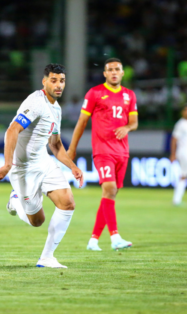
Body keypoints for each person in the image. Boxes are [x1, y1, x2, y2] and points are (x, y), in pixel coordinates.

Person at [0, 64, 83, 269]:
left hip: (44, 162)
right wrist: (7, 164)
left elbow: (55, 144)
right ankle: (15, 200)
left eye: (62, 81)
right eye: (54, 80)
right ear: (44, 81)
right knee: (37, 221)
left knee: (67, 203)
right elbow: (12, 130)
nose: (58, 85)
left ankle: (47, 257)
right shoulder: (35, 102)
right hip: (23, 169)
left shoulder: (56, 109)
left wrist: (72, 167)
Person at [67, 58, 138, 251]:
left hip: (122, 152)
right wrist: (72, 149)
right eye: (110, 70)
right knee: (109, 189)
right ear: (104, 74)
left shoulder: (129, 95)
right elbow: (81, 122)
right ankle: (115, 238)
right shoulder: (95, 93)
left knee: (110, 194)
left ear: (122, 73)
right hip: (103, 151)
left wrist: (127, 128)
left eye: (117, 69)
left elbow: (134, 122)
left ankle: (93, 240)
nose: (114, 72)